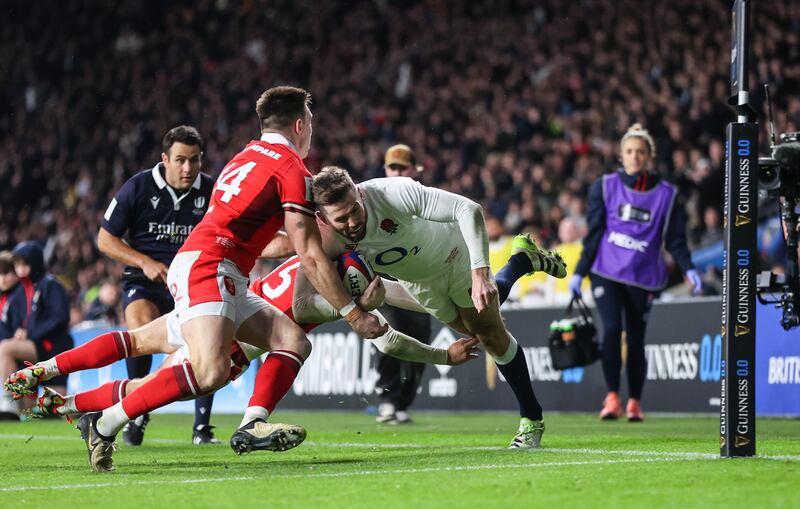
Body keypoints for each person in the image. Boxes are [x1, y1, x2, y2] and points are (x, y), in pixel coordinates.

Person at [63, 85, 385, 472]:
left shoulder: (243, 157)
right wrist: (354, 315)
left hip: (212, 266)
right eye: (311, 122)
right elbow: (311, 257)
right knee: (207, 369)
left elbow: (257, 236)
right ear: (300, 124)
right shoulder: (291, 170)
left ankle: (250, 424)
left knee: (291, 342)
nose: (311, 130)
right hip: (213, 268)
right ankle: (101, 419)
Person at [6, 256, 478, 442]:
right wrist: (442, 355)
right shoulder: (329, 296)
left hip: (216, 297)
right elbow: (388, 335)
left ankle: (51, 382)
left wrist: (450, 303)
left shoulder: (311, 256)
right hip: (230, 333)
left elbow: (403, 299)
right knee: (148, 383)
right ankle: (70, 405)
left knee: (137, 346)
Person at [306, 166, 566, 448]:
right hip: (418, 283)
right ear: (322, 217)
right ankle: (521, 262)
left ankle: (531, 419)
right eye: (341, 218)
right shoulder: (327, 240)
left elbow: (469, 209)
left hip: (455, 256)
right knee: (479, 330)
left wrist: (480, 273)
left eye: (354, 210)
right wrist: (362, 307)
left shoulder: (393, 193)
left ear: (359, 193)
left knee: (491, 335)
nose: (352, 222)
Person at [568, 123, 702, 422]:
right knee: (613, 329)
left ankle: (635, 402)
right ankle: (613, 397)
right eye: (629, 151)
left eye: (640, 152)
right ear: (621, 155)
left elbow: (676, 240)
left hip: (643, 275)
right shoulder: (603, 187)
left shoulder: (667, 195)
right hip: (606, 271)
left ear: (649, 156)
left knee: (637, 338)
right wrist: (579, 272)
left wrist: (688, 267)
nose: (634, 157)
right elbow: (594, 233)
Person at [97, 125, 218, 446]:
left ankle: (202, 429)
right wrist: (144, 262)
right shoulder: (137, 187)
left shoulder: (211, 190)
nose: (188, 168)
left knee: (207, 341)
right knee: (140, 325)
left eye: (194, 160)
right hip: (146, 282)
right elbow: (105, 239)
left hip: (194, 283)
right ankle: (137, 409)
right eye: (180, 160)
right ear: (165, 158)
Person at [372, 144, 432, 424]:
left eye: (401, 167)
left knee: (422, 342)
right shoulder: (373, 198)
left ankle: (404, 401)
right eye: (392, 167)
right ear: (384, 170)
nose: (396, 172)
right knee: (389, 336)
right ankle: (387, 398)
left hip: (422, 281)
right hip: (387, 280)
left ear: (415, 170)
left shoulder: (427, 200)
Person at [0, 243, 72, 420]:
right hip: (36, 347)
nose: (21, 269)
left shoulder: (50, 285)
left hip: (52, 347)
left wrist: (29, 334)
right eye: (17, 265)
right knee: (31, 412)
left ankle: (8, 399)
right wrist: (20, 332)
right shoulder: (23, 291)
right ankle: (17, 402)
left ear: (35, 263)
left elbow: (60, 318)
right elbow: (22, 321)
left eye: (25, 264)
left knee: (6, 348)